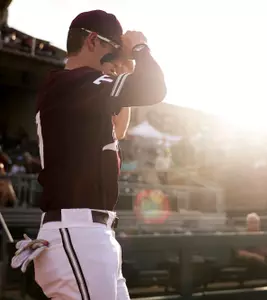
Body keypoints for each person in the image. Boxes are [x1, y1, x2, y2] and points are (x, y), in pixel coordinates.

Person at [30, 10, 166, 300]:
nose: (116, 58)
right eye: (112, 49)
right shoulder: (73, 82)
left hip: (91, 232)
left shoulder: (80, 89)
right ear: (92, 40)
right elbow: (154, 88)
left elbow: (118, 131)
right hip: (76, 229)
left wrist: (123, 70)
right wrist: (140, 49)